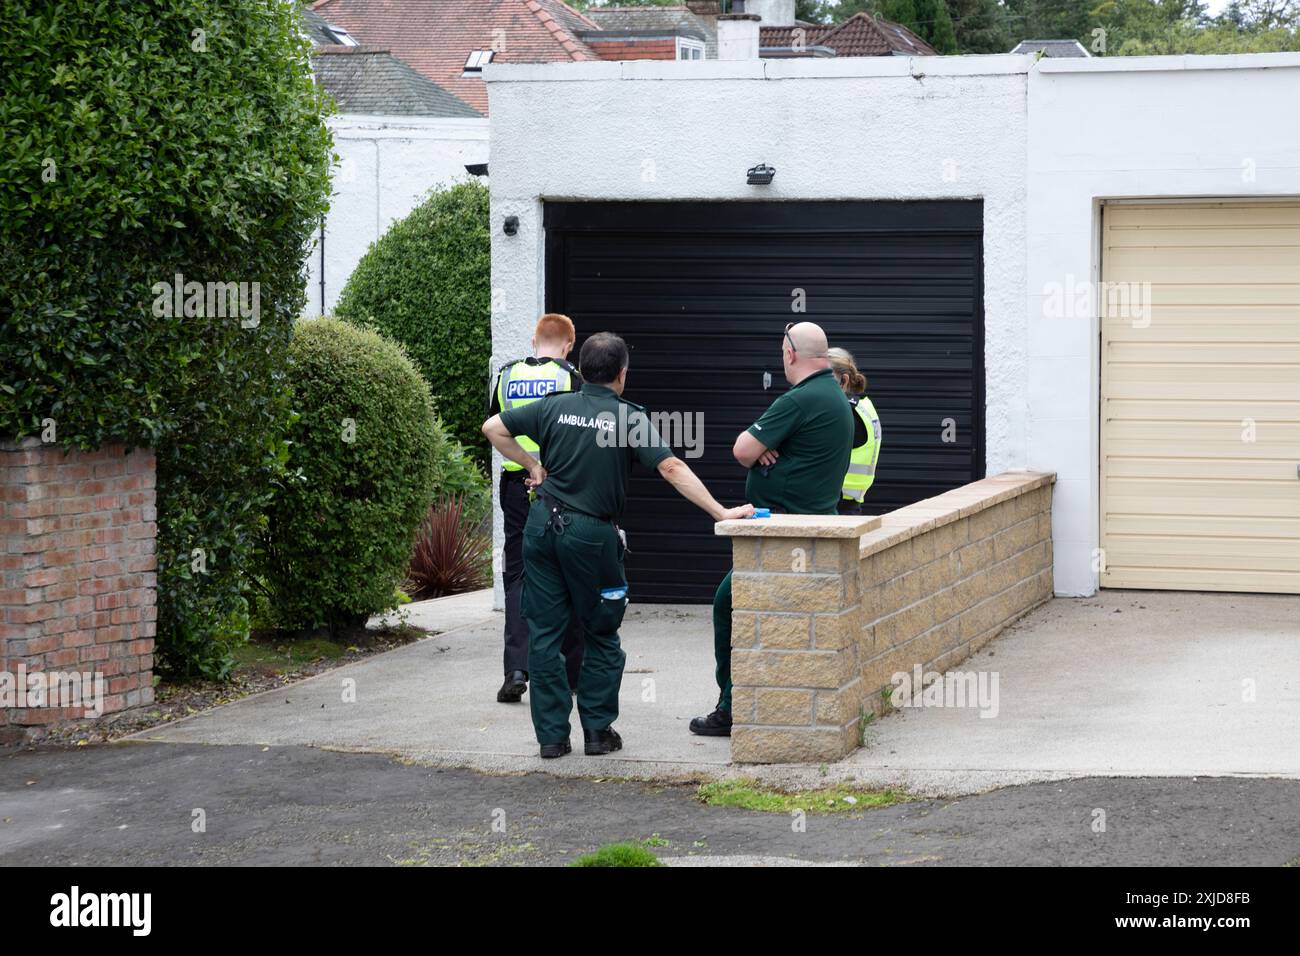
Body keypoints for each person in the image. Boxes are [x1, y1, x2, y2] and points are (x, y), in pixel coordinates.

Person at [482, 332, 753, 758]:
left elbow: (492, 426)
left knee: (545, 636)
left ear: (582, 371)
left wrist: (533, 465)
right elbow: (670, 466)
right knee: (601, 634)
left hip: (541, 528)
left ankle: (552, 740)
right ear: (622, 374)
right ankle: (597, 733)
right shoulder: (627, 418)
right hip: (592, 539)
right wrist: (721, 512)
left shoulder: (554, 406)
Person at [690, 322, 854, 737]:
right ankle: (763, 702)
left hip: (783, 532)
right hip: (813, 525)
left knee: (729, 605)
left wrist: (762, 449)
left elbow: (742, 450)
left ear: (790, 354)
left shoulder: (799, 399)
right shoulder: (835, 395)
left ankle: (731, 708)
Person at [487, 313, 584, 704]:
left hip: (515, 484)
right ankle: (571, 672)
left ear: (533, 341)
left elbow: (495, 425)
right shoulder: (570, 376)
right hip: (557, 487)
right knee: (567, 572)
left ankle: (516, 668)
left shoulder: (506, 376)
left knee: (518, 575)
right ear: (568, 345)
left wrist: (527, 465)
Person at [827, 347, 882, 517]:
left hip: (835, 505)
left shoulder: (845, 413)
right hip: (849, 503)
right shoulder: (865, 408)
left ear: (843, 380)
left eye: (825, 378)